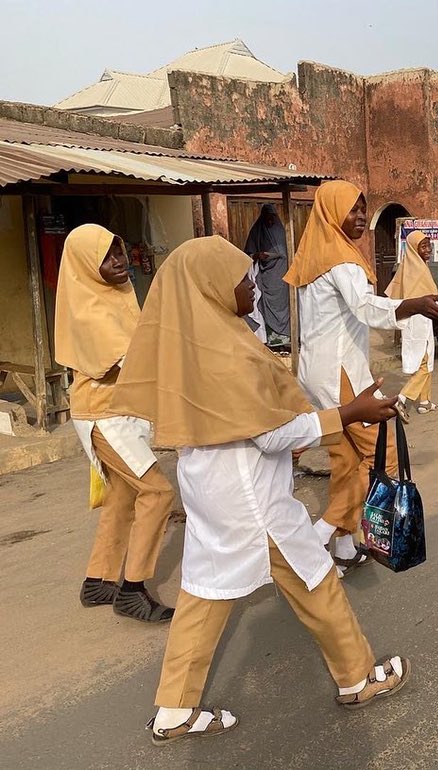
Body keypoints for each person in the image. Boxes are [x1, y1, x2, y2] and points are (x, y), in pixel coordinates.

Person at [108, 236, 410, 745]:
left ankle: (173, 711)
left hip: (211, 491)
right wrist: (347, 415)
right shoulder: (225, 352)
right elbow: (267, 432)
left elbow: (250, 423)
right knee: (315, 579)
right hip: (252, 498)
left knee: (204, 592)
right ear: (211, 289)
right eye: (242, 279)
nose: (253, 286)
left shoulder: (196, 342)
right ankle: (357, 679)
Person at [283, 181, 438, 576]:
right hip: (341, 373)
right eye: (352, 209)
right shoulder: (340, 259)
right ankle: (316, 537)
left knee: (345, 458)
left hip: (318, 370)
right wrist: (413, 305)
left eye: (364, 209)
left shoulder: (315, 252)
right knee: (384, 453)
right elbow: (364, 307)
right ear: (331, 211)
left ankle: (342, 545)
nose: (360, 217)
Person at [54, 224, 176, 624]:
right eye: (107, 256)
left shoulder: (119, 294)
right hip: (104, 414)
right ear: (87, 264)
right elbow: (134, 361)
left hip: (122, 410)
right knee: (157, 492)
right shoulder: (89, 309)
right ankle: (133, 588)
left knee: (124, 495)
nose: (120, 261)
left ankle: (99, 579)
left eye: (120, 252)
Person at [387, 231, 438, 422]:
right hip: (417, 320)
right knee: (424, 362)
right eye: (423, 247)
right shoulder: (416, 270)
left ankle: (425, 401)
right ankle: (402, 398)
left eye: (429, 246)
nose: (428, 250)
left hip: (421, 319)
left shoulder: (413, 266)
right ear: (413, 249)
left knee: (428, 358)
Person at [244, 203, 291, 347]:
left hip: (281, 276)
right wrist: (257, 255)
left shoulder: (281, 231)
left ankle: (284, 337)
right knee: (265, 305)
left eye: (272, 218)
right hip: (265, 277)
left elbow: (287, 252)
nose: (270, 222)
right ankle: (270, 338)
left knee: (282, 306)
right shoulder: (257, 231)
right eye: (267, 219)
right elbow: (247, 254)